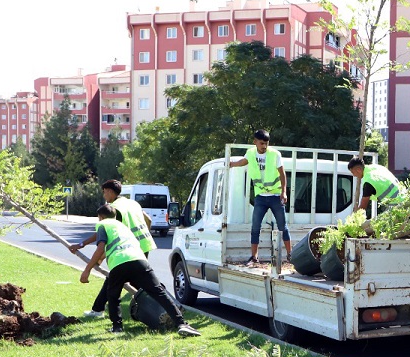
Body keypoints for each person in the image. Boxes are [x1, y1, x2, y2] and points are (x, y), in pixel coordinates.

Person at [79, 203, 200, 336]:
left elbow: (101, 246)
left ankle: (117, 328)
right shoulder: (122, 227)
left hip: (119, 262)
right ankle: (181, 323)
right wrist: (81, 244)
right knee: (159, 292)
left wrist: (87, 270)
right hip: (140, 260)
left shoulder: (102, 225)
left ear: (100, 217)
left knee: (113, 296)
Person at [70, 179, 157, 317]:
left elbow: (107, 231)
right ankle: (155, 307)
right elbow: (149, 220)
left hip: (128, 248)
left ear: (110, 191)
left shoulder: (114, 208)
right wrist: (83, 244)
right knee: (137, 279)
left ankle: (99, 310)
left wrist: (96, 259)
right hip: (144, 244)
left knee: (115, 278)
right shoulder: (132, 202)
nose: (104, 196)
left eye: (104, 192)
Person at [228, 129, 291, 265]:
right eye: (261, 143)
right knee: (255, 227)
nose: (264, 146)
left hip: (275, 196)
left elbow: (282, 174)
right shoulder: (251, 153)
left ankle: (290, 256)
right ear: (255, 142)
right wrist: (232, 164)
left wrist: (284, 192)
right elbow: (244, 161)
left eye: (266, 144)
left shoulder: (275, 154)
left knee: (282, 227)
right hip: (260, 197)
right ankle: (254, 257)